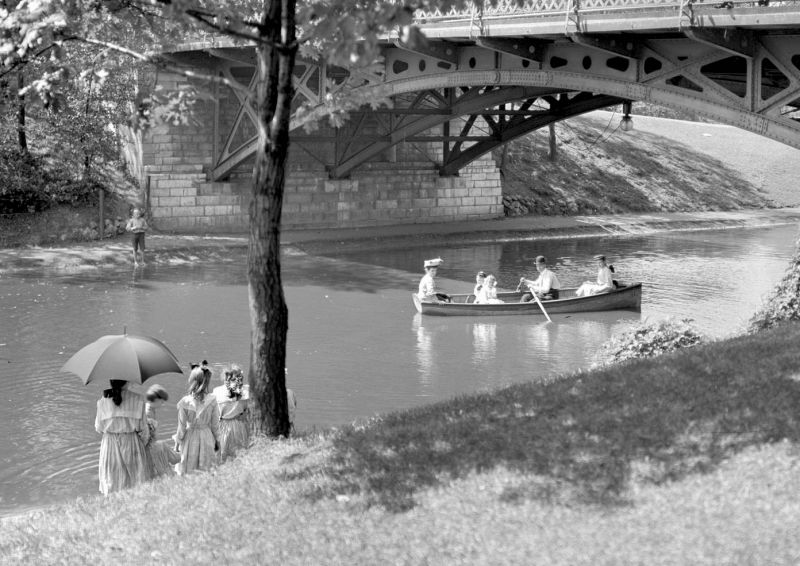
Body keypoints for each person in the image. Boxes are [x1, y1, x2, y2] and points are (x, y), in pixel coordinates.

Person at [94, 379, 150, 495]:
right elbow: (144, 430)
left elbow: (99, 428)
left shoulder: (102, 402)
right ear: (127, 381)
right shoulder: (138, 400)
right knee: (135, 483)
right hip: (132, 442)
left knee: (112, 483)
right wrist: (141, 446)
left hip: (110, 444)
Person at [174, 366, 220, 475]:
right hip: (206, 436)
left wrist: (177, 443)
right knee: (207, 469)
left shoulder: (185, 402)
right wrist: (218, 441)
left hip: (190, 437)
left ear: (192, 380)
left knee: (189, 467)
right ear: (207, 381)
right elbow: (215, 425)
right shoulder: (212, 400)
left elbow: (181, 427)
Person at [213, 364, 251, 463]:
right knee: (241, 452)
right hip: (240, 424)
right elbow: (250, 409)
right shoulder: (246, 391)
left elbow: (214, 413)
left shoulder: (217, 392)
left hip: (223, 425)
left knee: (222, 454)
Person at [144, 384, 180, 479]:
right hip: (149, 446)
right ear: (156, 399)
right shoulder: (148, 413)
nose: (163, 403)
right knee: (164, 449)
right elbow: (148, 434)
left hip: (150, 444)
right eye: (162, 401)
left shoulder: (150, 409)